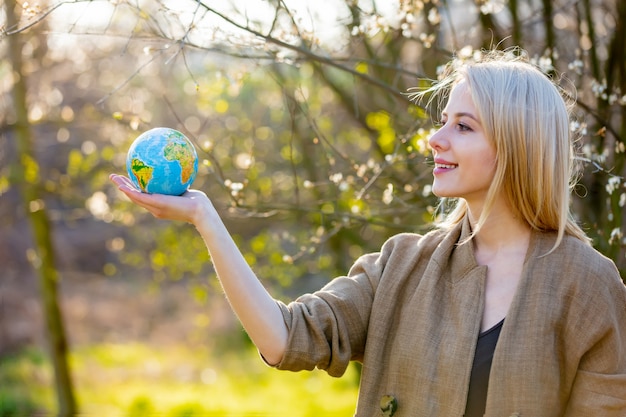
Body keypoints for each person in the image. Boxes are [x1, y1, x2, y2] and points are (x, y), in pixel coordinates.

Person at [110, 49, 626, 417]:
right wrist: (206, 219)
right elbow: (285, 337)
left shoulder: (588, 287)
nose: (434, 138)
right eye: (442, 121)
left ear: (518, 146)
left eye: (463, 127)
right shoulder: (402, 265)